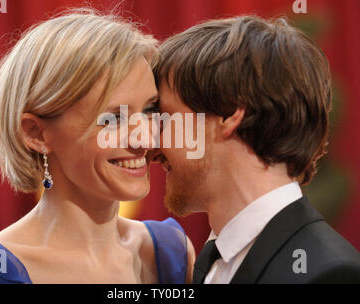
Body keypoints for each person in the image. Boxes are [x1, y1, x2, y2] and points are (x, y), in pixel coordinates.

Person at [0, 8, 195, 284]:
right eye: (114, 118)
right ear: (37, 134)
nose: (146, 140)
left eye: (149, 109)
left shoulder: (173, 254)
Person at [152, 15, 360, 283]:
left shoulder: (329, 275)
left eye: (166, 119)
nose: (152, 147)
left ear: (229, 114)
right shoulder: (207, 261)